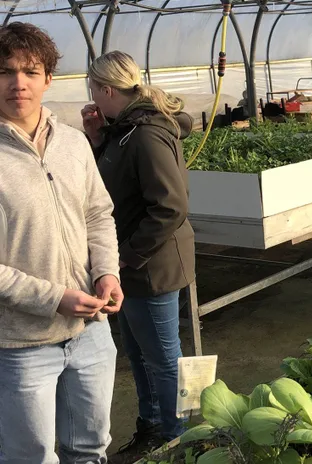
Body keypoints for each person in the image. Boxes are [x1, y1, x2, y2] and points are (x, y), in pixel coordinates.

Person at [0, 22, 123, 462]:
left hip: (91, 332)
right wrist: (55, 299)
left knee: (90, 448)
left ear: (48, 79)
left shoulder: (72, 143)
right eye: (6, 71)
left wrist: (107, 272)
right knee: (30, 456)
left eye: (31, 72)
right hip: (19, 344)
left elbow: (97, 214)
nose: (18, 83)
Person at [82, 51, 196, 456]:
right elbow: (108, 184)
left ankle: (179, 439)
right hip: (132, 264)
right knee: (141, 353)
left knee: (165, 358)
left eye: (93, 89)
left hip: (151, 266)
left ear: (105, 89)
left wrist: (127, 255)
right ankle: (153, 429)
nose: (92, 98)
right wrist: (97, 139)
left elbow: (169, 206)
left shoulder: (145, 134)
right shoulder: (124, 130)